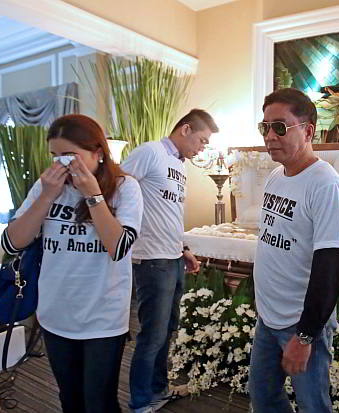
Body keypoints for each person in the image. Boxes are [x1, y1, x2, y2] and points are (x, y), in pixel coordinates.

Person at [2, 114, 143, 413]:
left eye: (70, 156)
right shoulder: (47, 187)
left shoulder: (125, 187)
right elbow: (12, 242)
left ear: (98, 154)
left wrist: (92, 195)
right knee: (70, 400)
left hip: (102, 318)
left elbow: (118, 247)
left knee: (99, 403)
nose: (61, 165)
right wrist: (46, 196)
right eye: (55, 156)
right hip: (55, 314)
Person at [249, 88, 339, 413]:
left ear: (308, 131)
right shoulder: (276, 177)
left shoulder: (325, 185)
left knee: (313, 405)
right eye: (265, 127)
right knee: (263, 398)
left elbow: (330, 266)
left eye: (280, 126)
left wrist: (305, 336)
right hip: (269, 318)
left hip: (301, 323)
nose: (269, 136)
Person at [122, 109, 218, 413]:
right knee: (151, 335)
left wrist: (183, 248)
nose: (201, 147)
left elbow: (169, 214)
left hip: (172, 257)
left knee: (167, 331)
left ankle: (159, 390)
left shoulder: (178, 164)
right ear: (186, 129)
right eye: (201, 140)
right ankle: (140, 402)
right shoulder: (150, 152)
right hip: (151, 259)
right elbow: (119, 188)